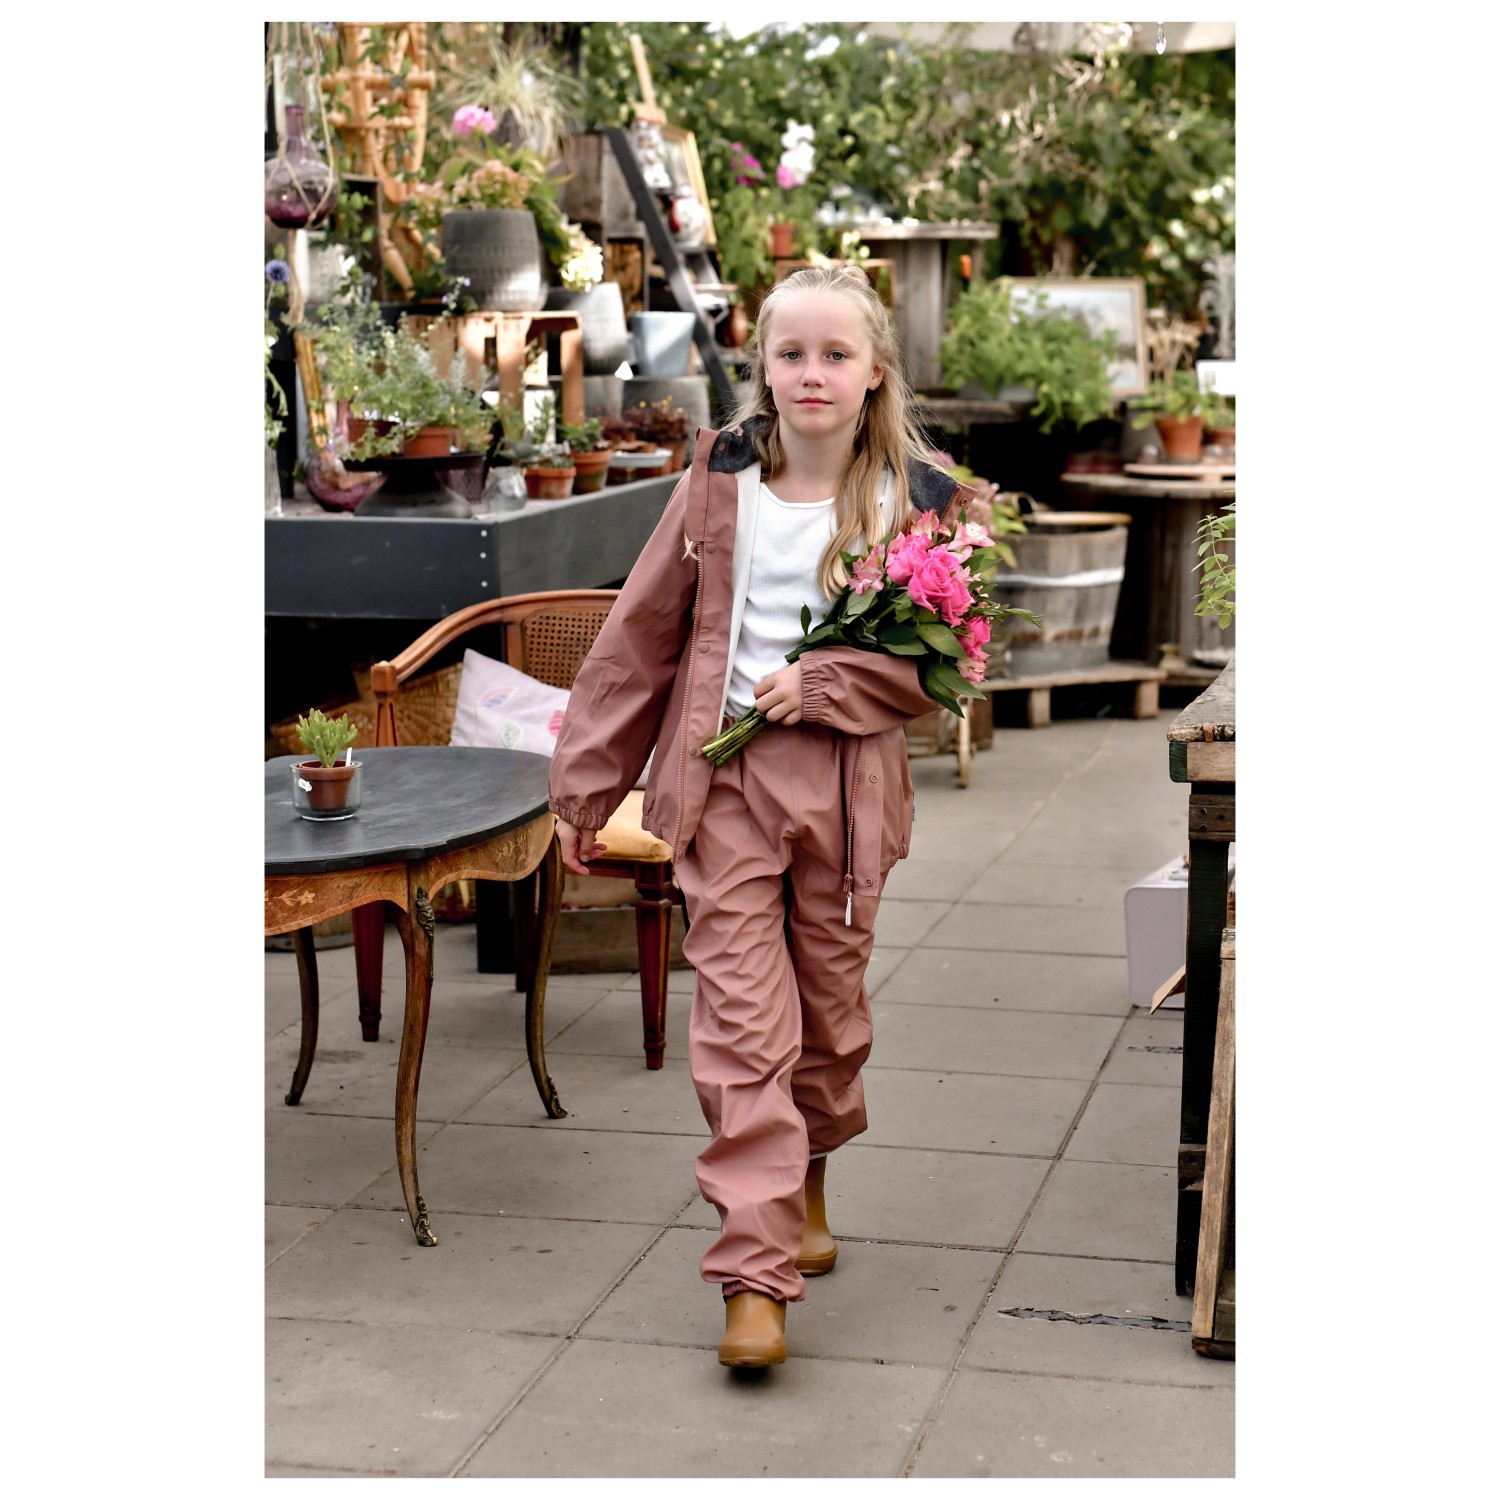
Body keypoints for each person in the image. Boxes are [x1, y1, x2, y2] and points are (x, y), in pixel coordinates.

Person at [548, 264, 979, 1369]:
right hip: (725, 786)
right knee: (744, 1026)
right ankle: (754, 1270)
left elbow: (949, 666)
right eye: (792, 353)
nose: (812, 373)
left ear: (875, 370)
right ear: (765, 368)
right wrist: (589, 787)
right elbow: (641, 635)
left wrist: (829, 683)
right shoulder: (718, 482)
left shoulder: (926, 502)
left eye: (836, 353)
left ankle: (809, 1170)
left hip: (848, 795)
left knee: (828, 1019)